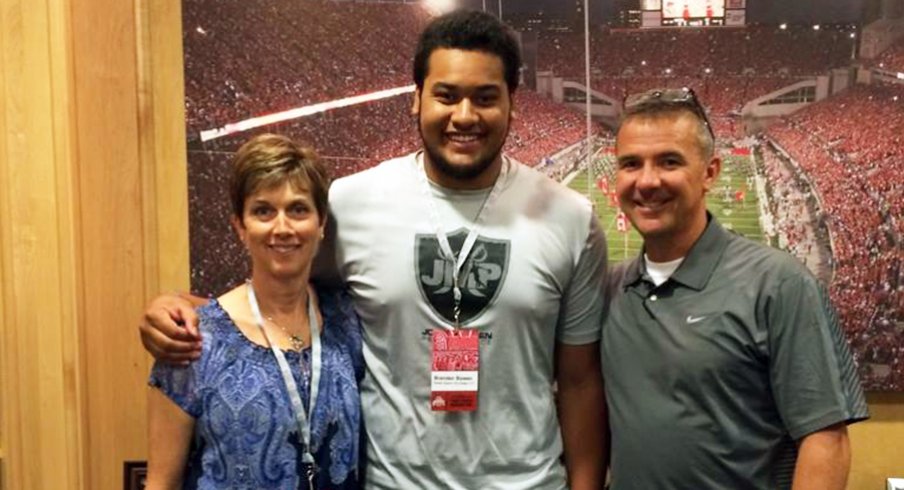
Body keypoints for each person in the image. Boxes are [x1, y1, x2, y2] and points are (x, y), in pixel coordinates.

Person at [141, 10, 607, 490]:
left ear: (513, 104)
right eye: (446, 95)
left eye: (485, 98)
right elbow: (278, 293)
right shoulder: (350, 202)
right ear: (416, 100)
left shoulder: (570, 218)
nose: (464, 116)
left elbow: (579, 381)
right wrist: (186, 310)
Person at [603, 87, 868, 490]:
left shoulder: (778, 284)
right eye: (631, 164)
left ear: (710, 172)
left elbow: (826, 440)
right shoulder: (611, 289)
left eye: (669, 161)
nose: (647, 180)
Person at [145, 134, 363, 490]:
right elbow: (161, 483)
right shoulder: (194, 341)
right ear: (241, 228)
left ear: (321, 223)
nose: (282, 227)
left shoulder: (345, 322)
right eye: (263, 211)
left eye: (298, 209)